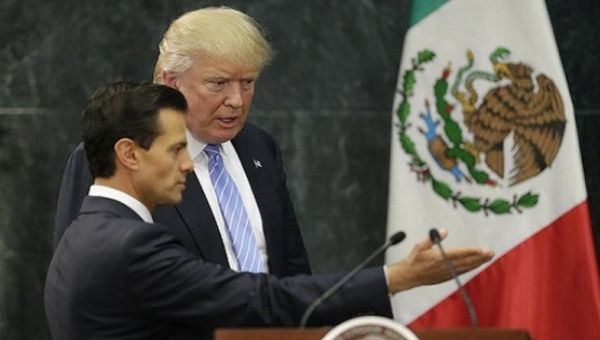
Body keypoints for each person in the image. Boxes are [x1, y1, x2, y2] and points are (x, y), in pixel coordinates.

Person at [44, 82, 494, 339]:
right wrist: (399, 276)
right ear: (129, 154)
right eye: (177, 149)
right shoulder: (132, 245)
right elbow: (259, 299)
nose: (187, 164)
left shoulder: (82, 236)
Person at [54, 6, 309, 277]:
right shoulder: (120, 156)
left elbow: (292, 264)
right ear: (171, 83)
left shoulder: (259, 146)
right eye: (218, 83)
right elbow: (78, 275)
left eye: (247, 82)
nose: (237, 99)